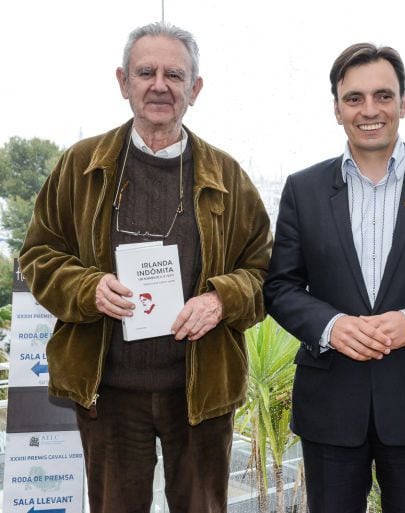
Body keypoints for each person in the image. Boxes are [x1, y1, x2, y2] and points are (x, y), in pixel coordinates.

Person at [19, 22, 273, 513]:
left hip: (200, 397)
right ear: (123, 82)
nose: (160, 85)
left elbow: (265, 270)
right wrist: (86, 287)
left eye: (175, 75)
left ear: (194, 89)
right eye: (146, 72)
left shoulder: (228, 176)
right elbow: (38, 253)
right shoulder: (79, 165)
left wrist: (222, 298)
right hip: (108, 393)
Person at [264, 43, 405, 512]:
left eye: (383, 96)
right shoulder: (303, 189)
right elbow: (279, 287)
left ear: (404, 103)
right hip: (330, 407)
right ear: (337, 108)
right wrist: (331, 326)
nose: (370, 110)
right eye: (354, 98)